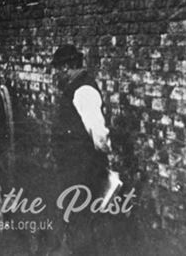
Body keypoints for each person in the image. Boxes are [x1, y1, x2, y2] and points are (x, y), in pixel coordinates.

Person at [48, 44, 115, 256]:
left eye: (58, 69)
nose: (56, 74)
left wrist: (100, 160)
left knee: (80, 219)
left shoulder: (83, 90)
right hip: (73, 167)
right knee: (75, 217)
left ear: (68, 67)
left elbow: (99, 133)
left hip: (82, 168)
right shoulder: (75, 88)